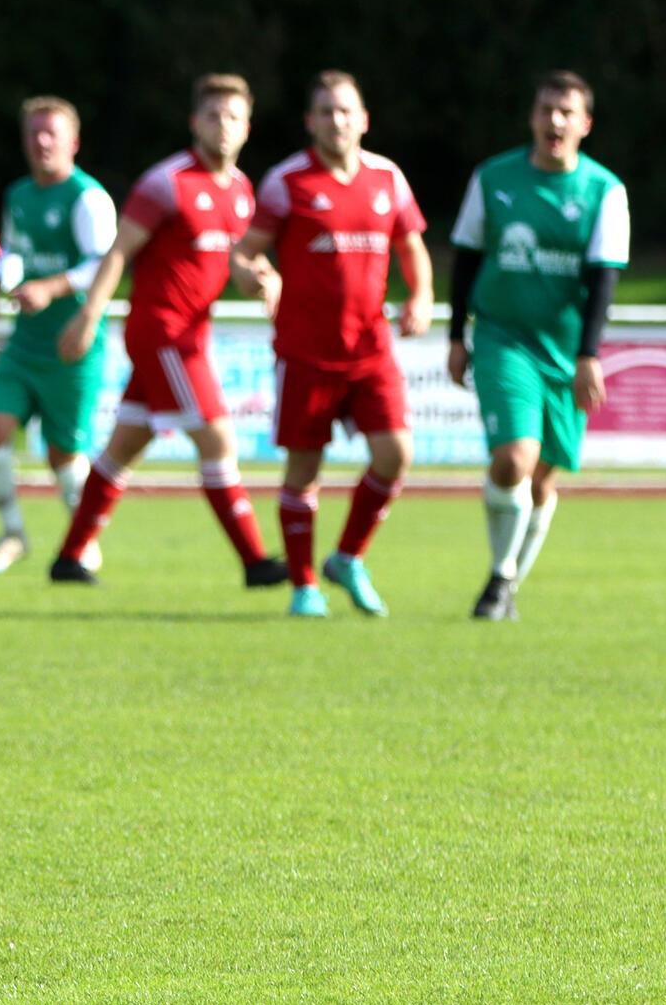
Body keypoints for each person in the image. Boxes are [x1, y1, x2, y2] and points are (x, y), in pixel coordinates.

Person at [50, 74, 287, 589]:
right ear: (194, 123)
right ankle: (255, 561)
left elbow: (240, 263)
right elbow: (118, 253)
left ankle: (69, 557)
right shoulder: (167, 182)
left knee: (124, 447)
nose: (222, 126)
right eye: (212, 116)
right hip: (164, 334)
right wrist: (90, 315)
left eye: (232, 117)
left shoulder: (244, 191)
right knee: (218, 439)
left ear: (246, 127)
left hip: (189, 337)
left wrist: (263, 278)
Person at [229, 71, 433, 618]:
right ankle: (303, 585)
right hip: (306, 351)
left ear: (363, 120)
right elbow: (245, 252)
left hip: (370, 349)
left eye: (345, 111)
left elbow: (411, 245)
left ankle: (347, 558)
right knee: (304, 470)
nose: (336, 121)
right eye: (325, 111)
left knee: (396, 455)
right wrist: (252, 276)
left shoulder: (388, 178)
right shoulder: (286, 181)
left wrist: (422, 296)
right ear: (310, 122)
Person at [448, 71, 629, 620]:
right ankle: (500, 580)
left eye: (566, 111)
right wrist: (458, 334)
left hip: (566, 350)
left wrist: (587, 356)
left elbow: (603, 278)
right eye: (546, 108)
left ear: (585, 124)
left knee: (545, 477)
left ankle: (505, 586)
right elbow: (466, 256)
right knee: (514, 460)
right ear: (532, 117)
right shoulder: (494, 178)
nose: (554, 120)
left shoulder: (605, 191)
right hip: (504, 336)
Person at [0, 97, 117, 575]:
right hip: (25, 343)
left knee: (64, 452)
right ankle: (12, 533)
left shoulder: (87, 197)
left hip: (72, 344)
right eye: (34, 133)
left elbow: (103, 263)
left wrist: (50, 288)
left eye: (51, 133)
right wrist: (9, 278)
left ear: (72, 142)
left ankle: (83, 542)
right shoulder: (17, 194)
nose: (41, 142)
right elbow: (14, 249)